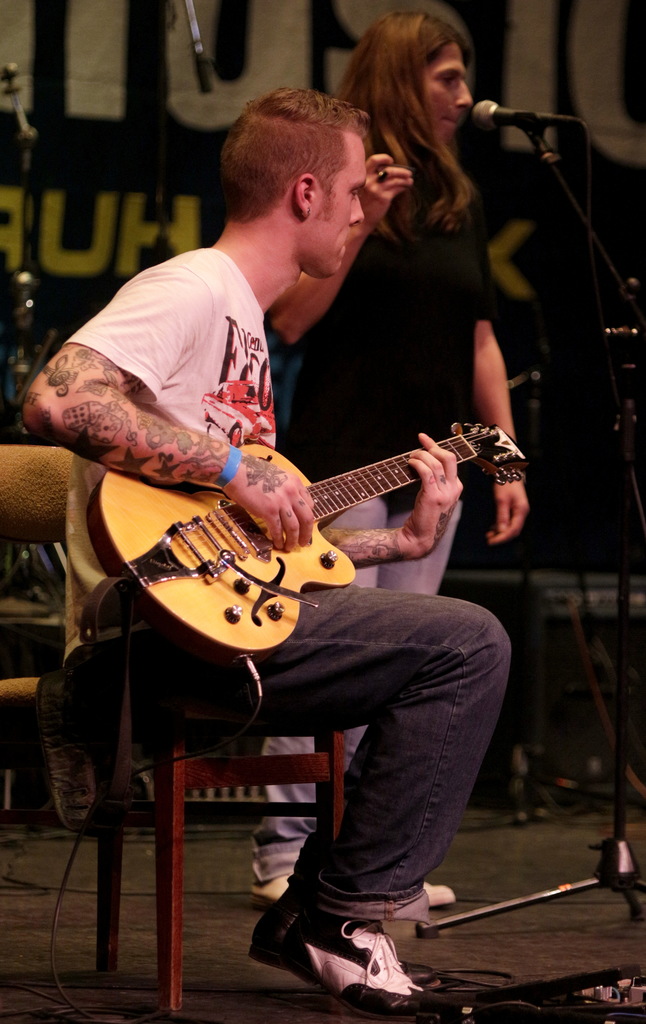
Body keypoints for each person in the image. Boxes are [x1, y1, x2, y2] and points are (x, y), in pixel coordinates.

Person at [22, 87, 511, 1020]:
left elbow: (247, 544)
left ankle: (319, 908)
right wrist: (234, 465)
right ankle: (339, 916)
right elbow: (57, 400)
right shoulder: (193, 287)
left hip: (213, 617)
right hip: (154, 630)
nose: (362, 213)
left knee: (446, 642)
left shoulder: (243, 319)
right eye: (353, 193)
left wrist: (400, 540)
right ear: (304, 193)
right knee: (469, 646)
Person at [251, 10, 530, 913]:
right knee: (329, 661)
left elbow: (480, 339)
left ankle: (368, 863)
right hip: (345, 463)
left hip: (433, 470)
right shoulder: (348, 183)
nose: (463, 96)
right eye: (446, 77)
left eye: (464, 77)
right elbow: (292, 318)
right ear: (402, 78)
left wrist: (507, 459)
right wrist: (364, 217)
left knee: (410, 671)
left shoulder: (456, 197)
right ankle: (285, 848)